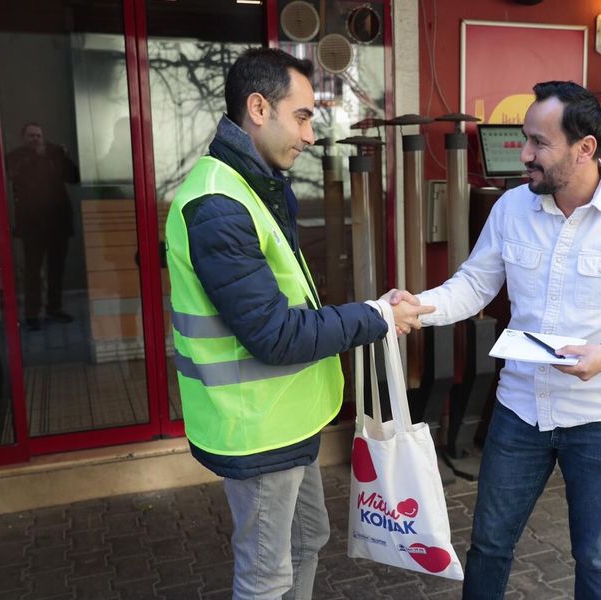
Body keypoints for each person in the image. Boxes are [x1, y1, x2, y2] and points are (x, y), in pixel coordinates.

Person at [402, 81, 601, 599]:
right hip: (521, 409)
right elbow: (474, 285)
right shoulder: (511, 208)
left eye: (539, 142)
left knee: (596, 557)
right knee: (490, 545)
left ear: (584, 148)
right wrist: (418, 308)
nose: (524, 154)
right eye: (525, 139)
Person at [164, 47, 432, 600]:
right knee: (266, 577)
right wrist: (377, 317)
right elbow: (276, 334)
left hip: (287, 420)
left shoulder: (255, 183)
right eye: (304, 116)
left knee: (310, 537)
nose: (311, 136)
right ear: (258, 108)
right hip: (256, 429)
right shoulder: (218, 205)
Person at [5, 123, 79, 330]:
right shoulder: (16, 156)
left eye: (38, 136)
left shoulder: (54, 155)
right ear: (23, 138)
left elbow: (74, 178)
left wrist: (63, 156)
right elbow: (14, 174)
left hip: (57, 225)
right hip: (33, 227)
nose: (35, 139)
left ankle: (54, 308)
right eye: (31, 136)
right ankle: (32, 314)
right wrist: (40, 156)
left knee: (57, 270)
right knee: (32, 272)